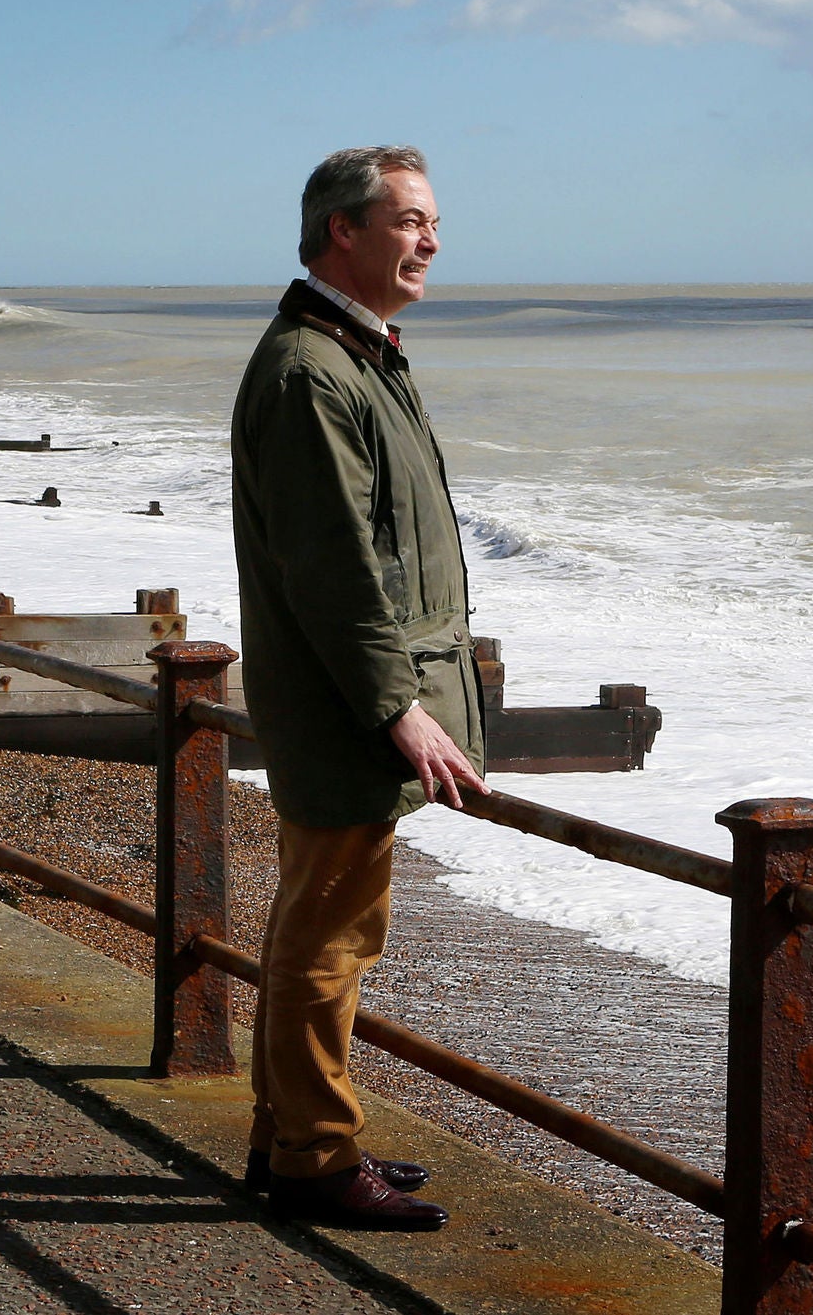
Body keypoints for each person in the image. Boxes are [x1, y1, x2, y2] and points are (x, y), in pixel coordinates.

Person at [230, 145, 488, 1231]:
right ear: (343, 229)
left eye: (432, 221)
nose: (430, 239)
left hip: (351, 696)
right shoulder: (311, 370)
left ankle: (292, 1129)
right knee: (328, 940)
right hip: (347, 703)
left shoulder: (356, 354)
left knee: (324, 928)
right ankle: (315, 1160)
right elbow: (335, 567)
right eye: (409, 220)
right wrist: (399, 708)